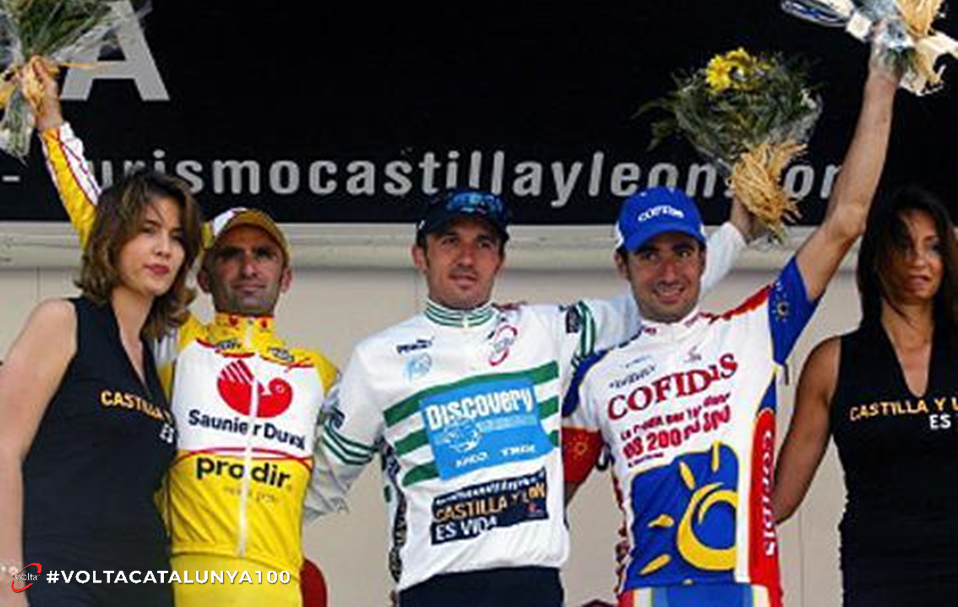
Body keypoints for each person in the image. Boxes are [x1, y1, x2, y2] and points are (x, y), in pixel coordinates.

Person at [309, 183, 749, 607]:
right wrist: (265, 570)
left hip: (533, 585)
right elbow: (320, 482)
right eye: (449, 241)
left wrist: (738, 232)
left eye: (483, 243)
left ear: (499, 260)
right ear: (420, 255)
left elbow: (660, 293)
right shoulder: (378, 359)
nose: (467, 258)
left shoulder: (545, 331)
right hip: (434, 588)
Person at [561, 58, 898, 607]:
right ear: (623, 265)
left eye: (682, 251)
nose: (668, 271)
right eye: (649, 254)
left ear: (703, 258)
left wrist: (882, 81)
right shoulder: (596, 376)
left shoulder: (754, 331)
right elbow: (545, 511)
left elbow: (846, 221)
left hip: (748, 594)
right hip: (647, 596)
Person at [30, 60, 339, 607]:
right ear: (203, 275)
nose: (248, 267)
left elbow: (370, 440)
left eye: (263, 254)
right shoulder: (178, 339)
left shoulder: (319, 371)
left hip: (275, 584)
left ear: (286, 276)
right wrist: (52, 124)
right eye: (230, 254)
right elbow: (101, 227)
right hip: (183, 579)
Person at [0, 168, 204, 607]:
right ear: (113, 238)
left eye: (177, 237)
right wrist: (7, 586)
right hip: (58, 575)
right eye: (148, 230)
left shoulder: (153, 357)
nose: (164, 249)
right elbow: (4, 451)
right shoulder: (63, 321)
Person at [773, 186, 958, 606]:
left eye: (933, 246)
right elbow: (779, 500)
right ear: (876, 256)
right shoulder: (832, 363)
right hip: (880, 577)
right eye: (904, 244)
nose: (918, 259)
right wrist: (680, 536)